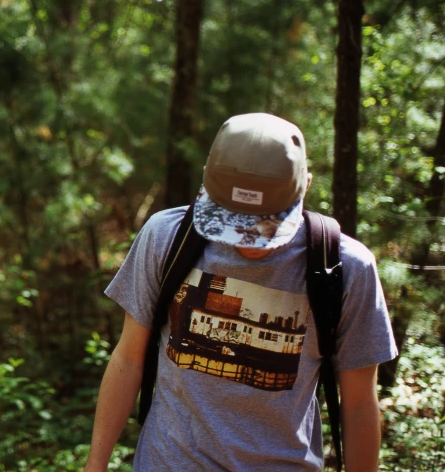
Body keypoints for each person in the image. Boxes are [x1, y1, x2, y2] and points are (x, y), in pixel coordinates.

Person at [84, 113, 398, 471]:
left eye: (266, 223)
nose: (248, 242)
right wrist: (95, 466)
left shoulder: (345, 269)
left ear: (305, 186)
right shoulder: (167, 238)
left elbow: (358, 403)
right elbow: (128, 359)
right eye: (232, 220)